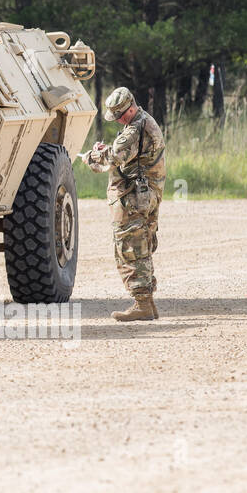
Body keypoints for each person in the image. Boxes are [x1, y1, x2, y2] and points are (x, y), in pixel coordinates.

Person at [79, 87, 167, 321]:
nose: (118, 120)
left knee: (130, 247)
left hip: (134, 197)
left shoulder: (135, 129)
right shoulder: (144, 121)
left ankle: (143, 304)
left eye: (120, 116)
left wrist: (93, 155)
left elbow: (114, 157)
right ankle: (146, 303)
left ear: (129, 109)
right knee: (141, 245)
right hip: (147, 194)